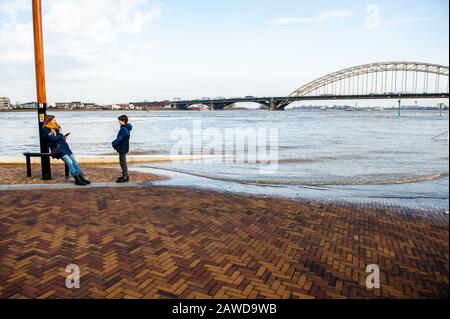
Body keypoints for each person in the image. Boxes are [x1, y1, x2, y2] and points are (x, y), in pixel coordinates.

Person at [41, 115, 91, 186]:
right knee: (70, 162)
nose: (55, 121)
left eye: (55, 120)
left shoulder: (57, 127)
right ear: (49, 121)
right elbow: (52, 139)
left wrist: (63, 137)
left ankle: (80, 177)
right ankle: (77, 179)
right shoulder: (44, 129)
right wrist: (61, 135)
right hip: (58, 149)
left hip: (65, 146)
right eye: (54, 120)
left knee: (74, 161)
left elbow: (58, 138)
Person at [112, 115, 133, 183]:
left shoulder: (123, 129)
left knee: (123, 163)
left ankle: (125, 177)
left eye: (120, 121)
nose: (119, 122)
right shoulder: (127, 128)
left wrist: (113, 143)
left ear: (123, 121)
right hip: (124, 147)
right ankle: (125, 175)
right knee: (123, 162)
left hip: (122, 148)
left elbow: (119, 139)